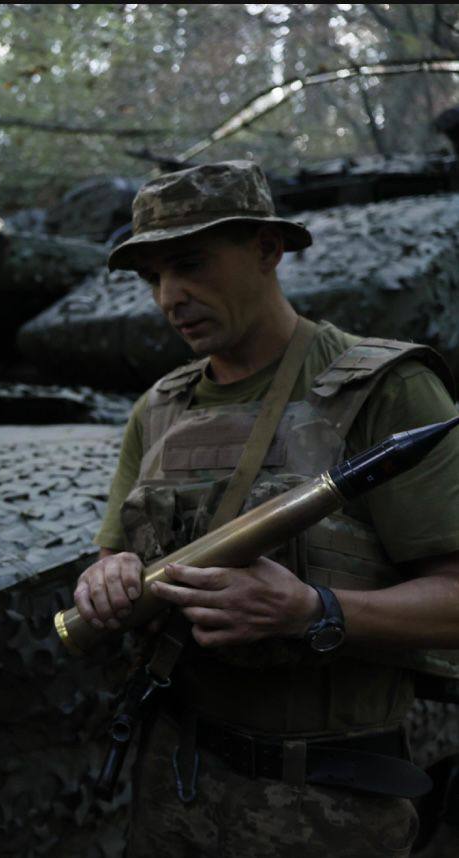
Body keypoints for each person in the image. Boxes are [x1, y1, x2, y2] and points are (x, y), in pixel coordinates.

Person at [75, 161, 459, 857]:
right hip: (177, 785)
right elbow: (116, 562)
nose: (169, 296)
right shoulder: (158, 409)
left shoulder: (388, 392)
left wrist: (313, 611)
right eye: (151, 277)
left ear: (266, 250)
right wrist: (104, 582)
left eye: (189, 264)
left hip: (330, 802)